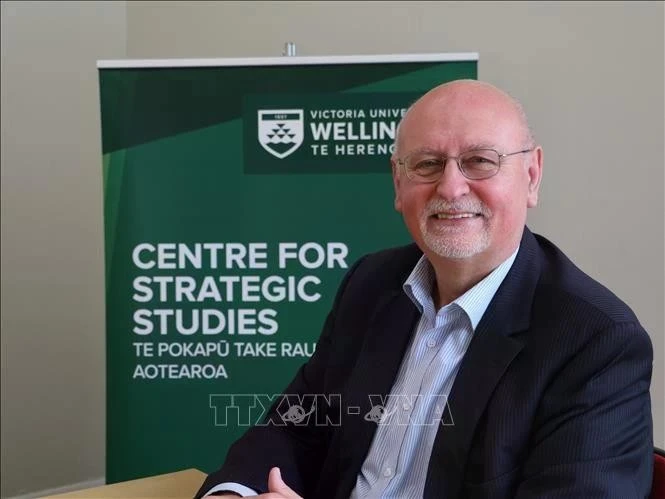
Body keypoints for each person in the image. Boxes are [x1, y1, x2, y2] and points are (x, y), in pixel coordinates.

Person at [195, 80, 654, 498]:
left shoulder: (596, 341)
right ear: (398, 183)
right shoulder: (371, 284)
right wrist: (235, 494)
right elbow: (297, 426)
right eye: (428, 164)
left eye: (479, 161)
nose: (451, 188)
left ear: (531, 176)